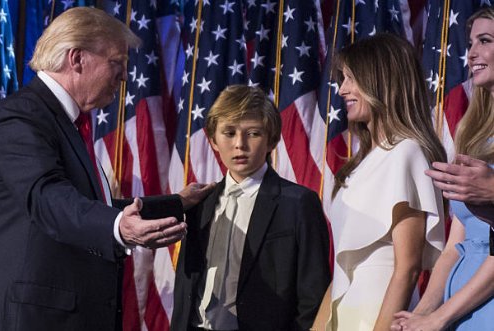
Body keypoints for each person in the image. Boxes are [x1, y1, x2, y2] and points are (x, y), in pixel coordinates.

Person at [0, 7, 213, 331]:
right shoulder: (23, 117)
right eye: (117, 63)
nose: (124, 76)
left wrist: (177, 203)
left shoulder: (69, 123)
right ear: (77, 59)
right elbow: (48, 197)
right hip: (39, 318)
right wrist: (118, 228)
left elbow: (94, 207)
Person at [171, 85, 331, 331]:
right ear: (213, 140)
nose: (239, 144)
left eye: (253, 133)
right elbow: (186, 286)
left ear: (272, 140)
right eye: (229, 132)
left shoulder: (299, 204)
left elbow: (313, 295)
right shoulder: (199, 203)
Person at [327, 33, 447, 331]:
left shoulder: (406, 153)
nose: (342, 90)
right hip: (344, 313)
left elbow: (407, 268)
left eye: (350, 78)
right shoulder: (363, 162)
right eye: (342, 79)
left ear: (380, 80)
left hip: (379, 313)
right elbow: (342, 271)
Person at [391, 7, 494, 331]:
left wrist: (440, 317)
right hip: (456, 314)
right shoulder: (471, 128)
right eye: (471, 42)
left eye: (485, 40)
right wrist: (421, 313)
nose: (472, 52)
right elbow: (454, 246)